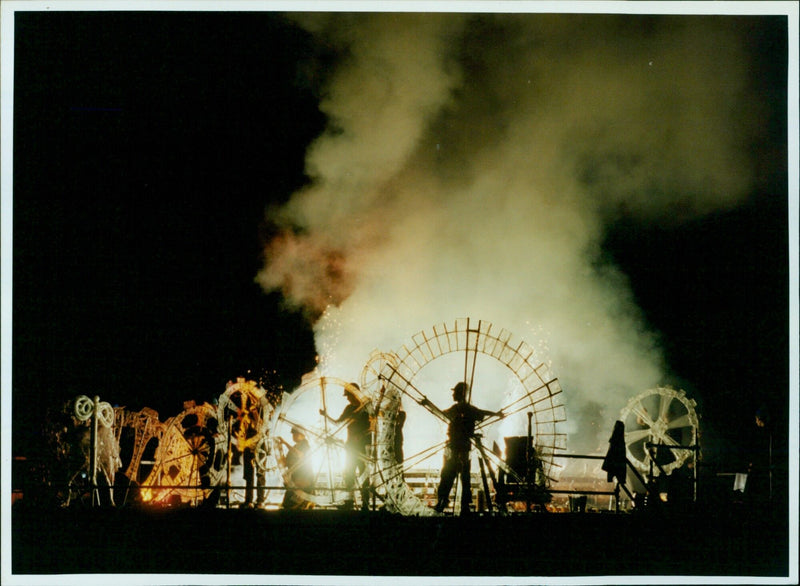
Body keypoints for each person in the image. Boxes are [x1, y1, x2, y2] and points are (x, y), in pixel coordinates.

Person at [431, 381, 501, 515]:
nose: (453, 394)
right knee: (461, 477)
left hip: (457, 448)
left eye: (455, 392)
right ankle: (461, 506)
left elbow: (442, 413)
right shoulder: (466, 410)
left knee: (449, 476)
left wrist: (429, 405)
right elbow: (482, 412)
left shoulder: (462, 410)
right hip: (459, 448)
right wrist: (497, 414)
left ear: (461, 393)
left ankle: (447, 503)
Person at [320, 382, 372, 511]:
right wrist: (326, 416)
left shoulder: (366, 407)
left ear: (354, 394)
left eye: (348, 395)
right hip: (351, 446)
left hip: (362, 446)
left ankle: (365, 503)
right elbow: (338, 423)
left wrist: (362, 434)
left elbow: (374, 426)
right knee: (348, 473)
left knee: (364, 474)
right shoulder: (350, 408)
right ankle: (349, 502)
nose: (347, 398)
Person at [280, 426, 316, 510]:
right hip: (295, 481)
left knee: (293, 506)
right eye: (293, 434)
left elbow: (299, 455)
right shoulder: (295, 447)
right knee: (288, 505)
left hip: (303, 481)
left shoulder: (305, 445)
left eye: (296, 434)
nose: (293, 436)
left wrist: (285, 443)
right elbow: (286, 463)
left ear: (302, 435)